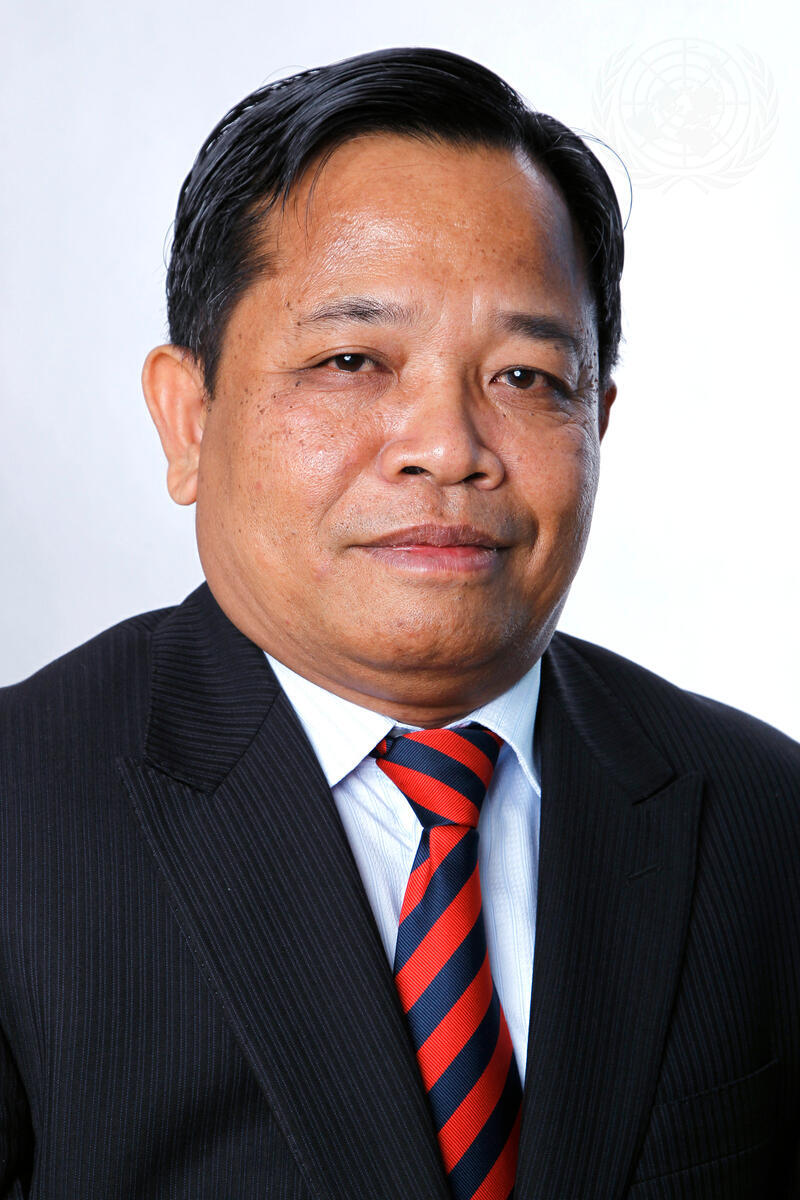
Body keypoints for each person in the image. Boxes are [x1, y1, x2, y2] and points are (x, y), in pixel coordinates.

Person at [0, 46, 798, 1200]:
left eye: (524, 378)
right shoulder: (20, 815)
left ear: (597, 420)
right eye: (351, 360)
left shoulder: (764, 822)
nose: (446, 448)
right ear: (188, 418)